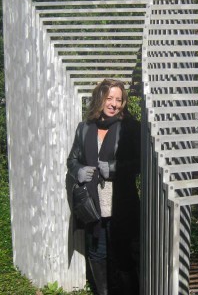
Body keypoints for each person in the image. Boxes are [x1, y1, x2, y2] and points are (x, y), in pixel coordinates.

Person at [67, 79, 141, 295]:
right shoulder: (84, 128)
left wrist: (115, 168)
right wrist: (78, 170)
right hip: (92, 206)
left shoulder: (130, 127)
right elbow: (72, 160)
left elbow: (141, 162)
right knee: (97, 254)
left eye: (119, 99)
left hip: (120, 204)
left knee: (124, 256)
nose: (114, 104)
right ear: (100, 99)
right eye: (109, 98)